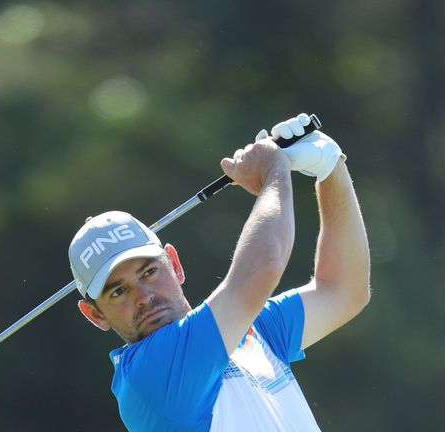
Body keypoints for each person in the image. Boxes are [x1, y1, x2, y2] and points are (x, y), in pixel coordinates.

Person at [68, 113, 370, 431]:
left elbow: (344, 290)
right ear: (94, 315)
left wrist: (331, 168)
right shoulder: (150, 374)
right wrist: (274, 169)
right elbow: (265, 265)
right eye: (118, 291)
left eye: (148, 272)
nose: (143, 297)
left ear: (174, 264)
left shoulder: (250, 331)